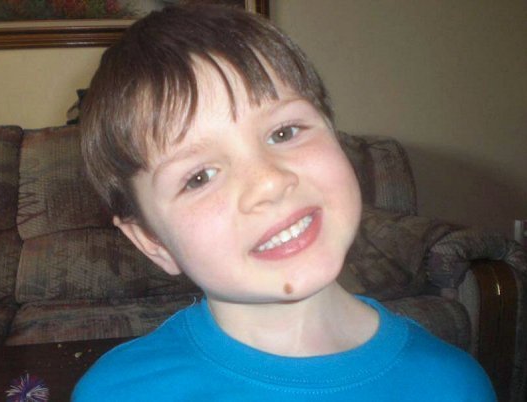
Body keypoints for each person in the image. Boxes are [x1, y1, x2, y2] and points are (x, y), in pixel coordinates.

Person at [72, 4, 495, 401]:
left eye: (284, 132)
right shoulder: (116, 393)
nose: (269, 183)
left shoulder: (455, 385)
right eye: (199, 177)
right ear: (152, 242)